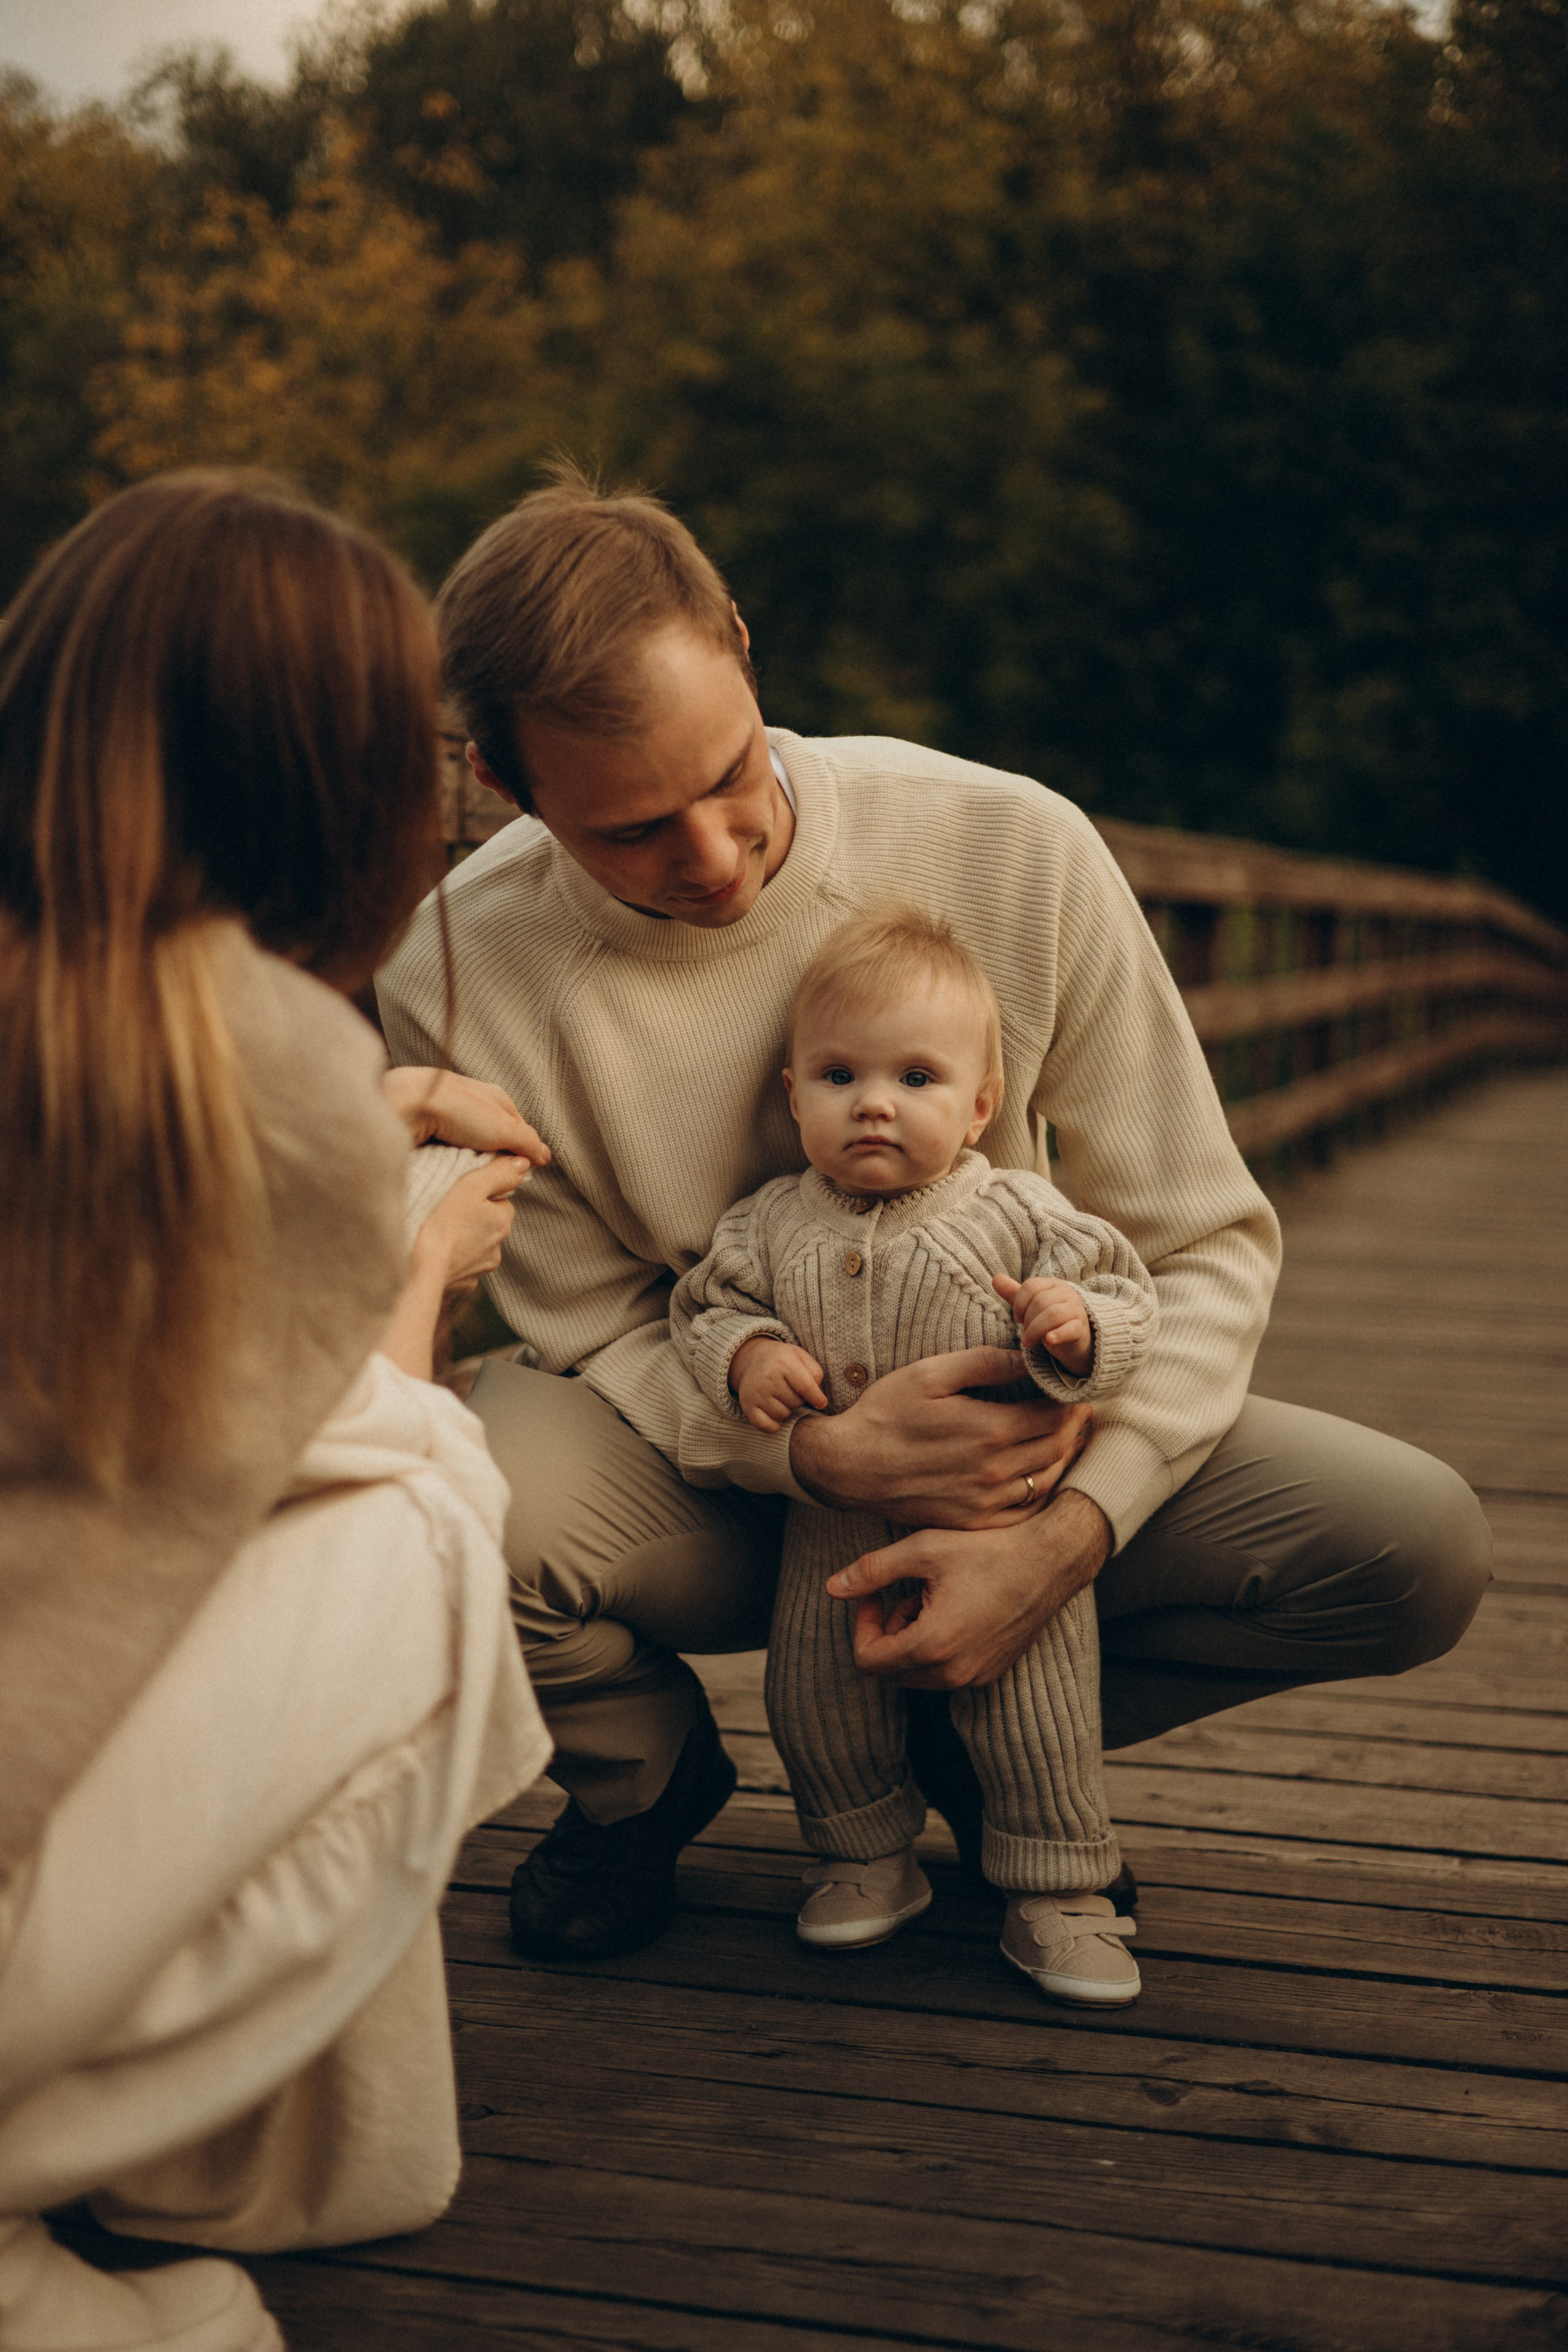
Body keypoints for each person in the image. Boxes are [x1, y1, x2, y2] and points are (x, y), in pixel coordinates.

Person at [377, 468, 1493, 1971]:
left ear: (743, 649)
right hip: (728, 1467)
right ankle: (642, 1785)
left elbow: (1202, 1240)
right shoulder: (459, 958)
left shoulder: (1011, 844)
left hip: (1017, 1458)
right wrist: (807, 1449)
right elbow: (589, 1321)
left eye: (727, 780)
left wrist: (1065, 1537)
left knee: (1408, 1544)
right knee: (448, 1495)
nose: (711, 860)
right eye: (632, 832)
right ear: (508, 786)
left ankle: (973, 1742)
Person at [0, 472, 551, 2352]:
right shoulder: (270, 1064)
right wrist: (420, 1257)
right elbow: (326, 1460)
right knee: (431, 1519)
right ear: (328, 776)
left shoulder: (90, 1024)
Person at [670, 906, 1155, 2005]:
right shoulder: (767, 1225)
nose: (874, 1102)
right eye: (839, 1075)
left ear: (982, 1106)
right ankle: (862, 1856)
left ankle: (1061, 1890)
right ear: (793, 1095)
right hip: (830, 1538)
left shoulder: (1018, 1213)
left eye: (918, 1079)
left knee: (1036, 1711)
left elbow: (1128, 1295)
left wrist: (1077, 1324)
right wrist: (745, 1357)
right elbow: (702, 1308)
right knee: (818, 1699)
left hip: (999, 1527)